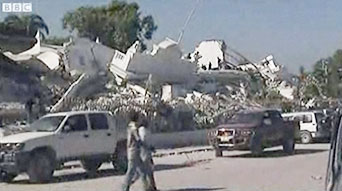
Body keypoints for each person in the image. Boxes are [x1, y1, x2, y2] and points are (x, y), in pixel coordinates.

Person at [122, 111, 149, 191]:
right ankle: (124, 188)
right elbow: (138, 140)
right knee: (130, 173)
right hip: (134, 153)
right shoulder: (134, 127)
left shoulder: (130, 126)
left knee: (143, 172)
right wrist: (147, 147)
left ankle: (147, 188)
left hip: (134, 153)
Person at [131, 118, 157, 191]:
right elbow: (143, 142)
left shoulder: (146, 130)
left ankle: (152, 187)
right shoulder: (142, 130)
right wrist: (149, 147)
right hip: (143, 154)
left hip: (146, 153)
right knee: (144, 173)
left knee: (148, 172)